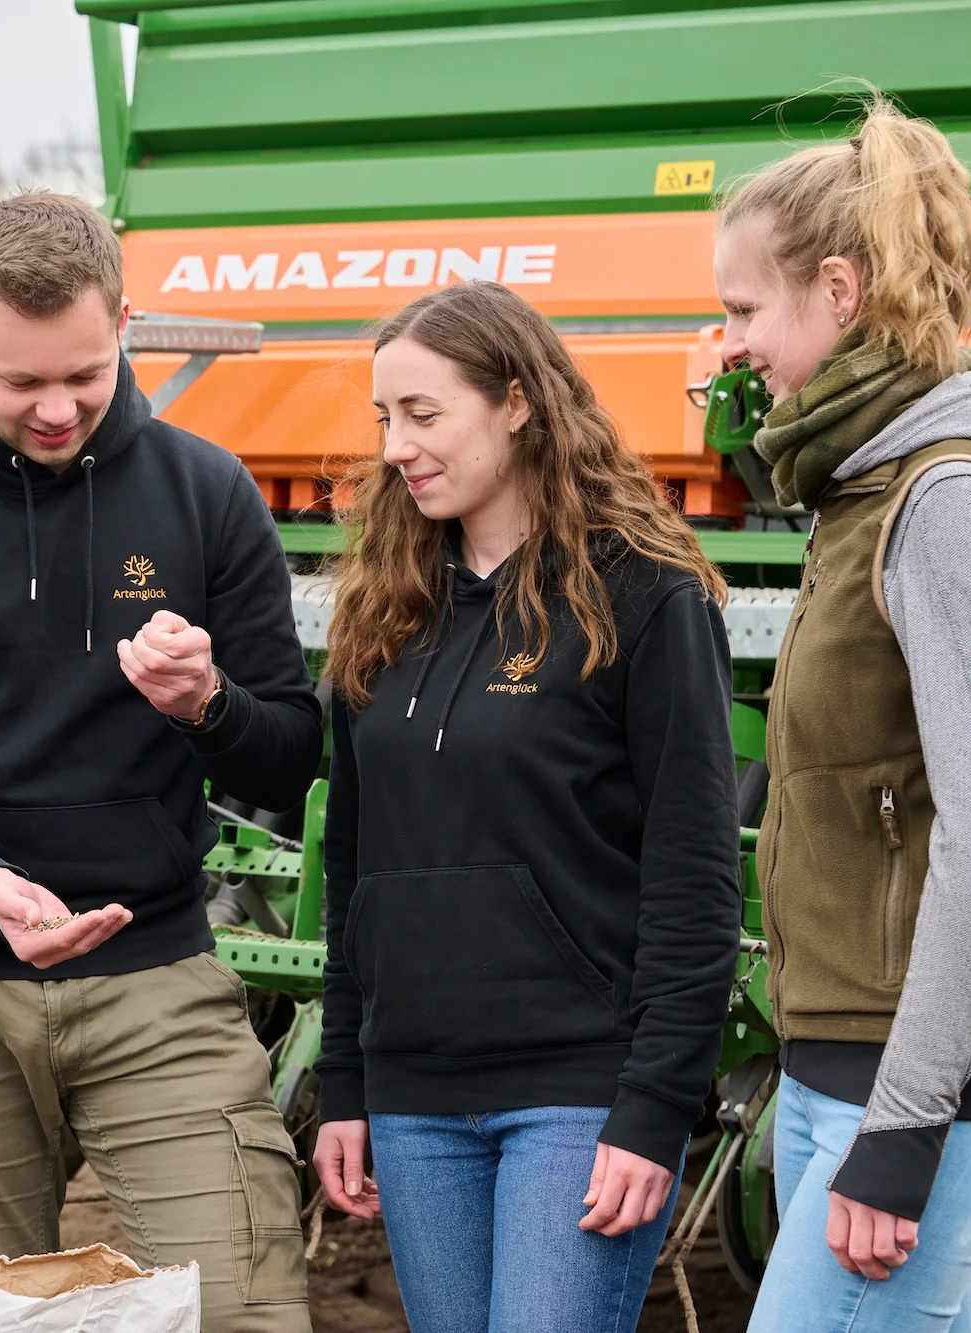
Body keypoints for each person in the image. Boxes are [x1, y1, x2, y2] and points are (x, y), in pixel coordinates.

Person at [0, 191, 324, 1333]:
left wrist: (207, 706)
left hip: (155, 974)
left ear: (123, 324)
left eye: (83, 375)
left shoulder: (203, 492)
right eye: (21, 381)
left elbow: (290, 753)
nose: (55, 409)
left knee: (239, 1303)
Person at [310, 281, 742, 1333]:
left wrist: (652, 1108)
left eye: (423, 414)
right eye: (383, 420)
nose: (398, 446)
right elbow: (355, 868)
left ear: (515, 403)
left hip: (575, 1094)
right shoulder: (385, 609)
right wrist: (344, 1080)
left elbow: (693, 875)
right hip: (415, 1100)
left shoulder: (642, 596)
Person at [712, 97, 971, 1333]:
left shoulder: (941, 497)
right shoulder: (862, 489)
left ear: (835, 291)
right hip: (848, 1068)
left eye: (741, 309)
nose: (727, 345)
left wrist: (901, 1128)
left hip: (912, 1093)